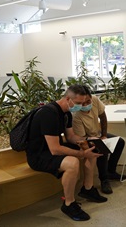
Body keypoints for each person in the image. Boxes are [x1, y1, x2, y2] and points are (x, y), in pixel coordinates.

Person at [26, 85, 107, 222]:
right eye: (79, 103)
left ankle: (88, 189)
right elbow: (55, 149)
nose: (81, 107)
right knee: (73, 162)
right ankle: (69, 203)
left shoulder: (66, 113)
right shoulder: (48, 114)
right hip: (39, 155)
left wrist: (87, 141)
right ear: (68, 99)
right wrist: (81, 154)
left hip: (52, 149)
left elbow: (70, 137)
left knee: (90, 147)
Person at [72, 85, 126, 195]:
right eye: (83, 103)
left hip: (97, 134)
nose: (87, 104)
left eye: (88, 101)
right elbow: (82, 137)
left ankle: (111, 171)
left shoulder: (95, 100)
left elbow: (102, 116)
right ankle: (104, 180)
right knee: (103, 149)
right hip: (85, 139)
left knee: (120, 142)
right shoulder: (76, 115)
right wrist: (97, 140)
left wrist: (104, 135)